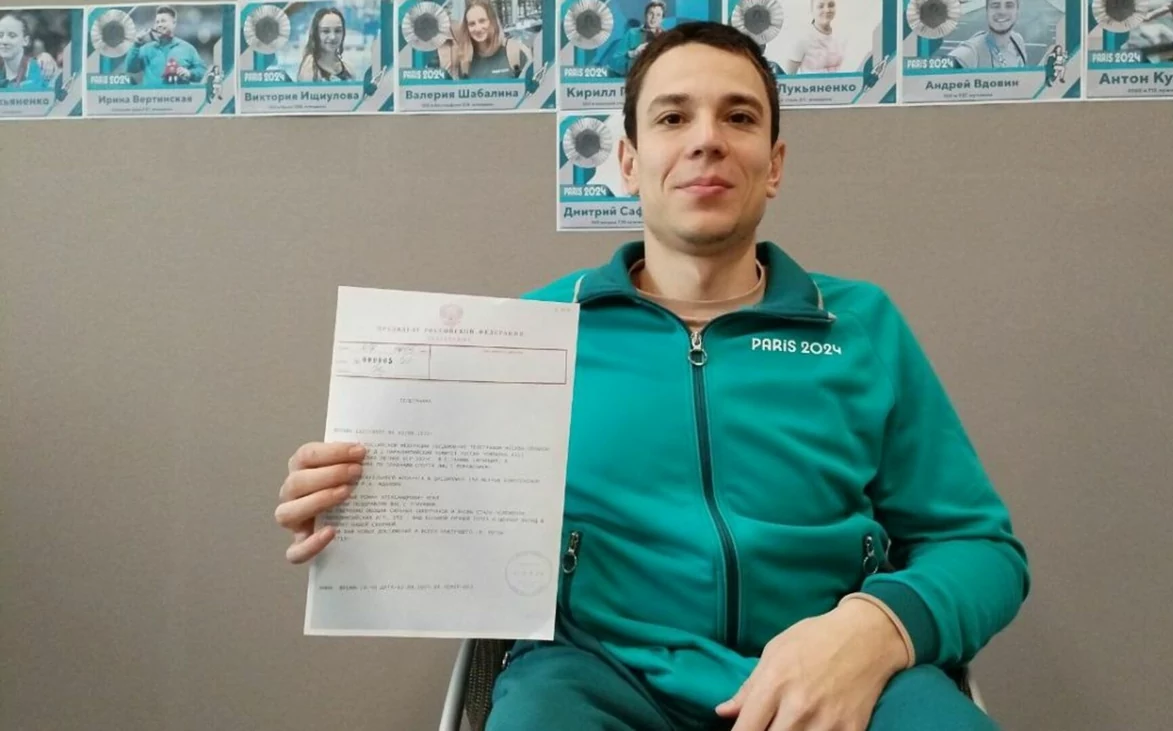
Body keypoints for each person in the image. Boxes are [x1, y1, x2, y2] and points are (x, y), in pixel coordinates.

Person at [275, 20, 1029, 731]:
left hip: (833, 672)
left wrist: (875, 629)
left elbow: (979, 546)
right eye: (673, 117)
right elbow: (443, 518)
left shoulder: (860, 326)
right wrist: (354, 509)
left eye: (738, 117)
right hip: (596, 676)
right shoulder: (530, 334)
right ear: (629, 162)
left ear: (774, 164)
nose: (707, 139)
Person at [123, 5, 205, 85]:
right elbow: (130, 68)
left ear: (174, 23)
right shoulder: (146, 49)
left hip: (179, 94)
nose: (159, 25)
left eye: (163, 21)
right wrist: (137, 43)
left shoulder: (187, 48)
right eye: (157, 22)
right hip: (152, 94)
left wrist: (190, 73)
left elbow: (203, 72)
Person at [451, 0, 530, 80]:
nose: (478, 28)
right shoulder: (464, 61)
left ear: (492, 21)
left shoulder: (514, 52)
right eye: (472, 24)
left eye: (482, 21)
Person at [947, 0, 1027, 68]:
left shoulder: (1017, 41)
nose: (1002, 11)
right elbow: (943, 70)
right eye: (995, 5)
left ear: (1017, 11)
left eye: (1009, 5)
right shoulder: (972, 52)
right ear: (987, 11)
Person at [0, 12, 59, 89]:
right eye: (0, 35)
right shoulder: (2, 76)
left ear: (26, 40)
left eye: (12, 35)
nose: (4, 41)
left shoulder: (45, 69)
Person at [787, 0, 845, 73]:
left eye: (831, 5)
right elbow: (789, 76)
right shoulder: (802, 39)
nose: (827, 10)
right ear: (812, 10)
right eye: (820, 6)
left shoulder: (839, 36)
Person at [297, 7, 352, 81]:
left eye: (337, 31)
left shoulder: (349, 69)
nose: (333, 37)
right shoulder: (310, 67)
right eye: (326, 31)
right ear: (316, 34)